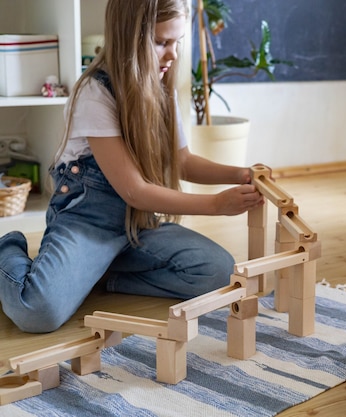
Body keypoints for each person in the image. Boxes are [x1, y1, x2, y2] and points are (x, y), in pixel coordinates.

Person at [0, 0, 266, 333]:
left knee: (219, 271)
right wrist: (216, 204)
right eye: (162, 42)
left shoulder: (160, 88)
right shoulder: (94, 94)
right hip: (87, 225)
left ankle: (101, 274)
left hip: (138, 226)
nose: (172, 54)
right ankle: (7, 246)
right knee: (37, 311)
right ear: (129, 37)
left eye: (176, 42)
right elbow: (135, 191)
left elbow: (183, 162)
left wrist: (241, 174)